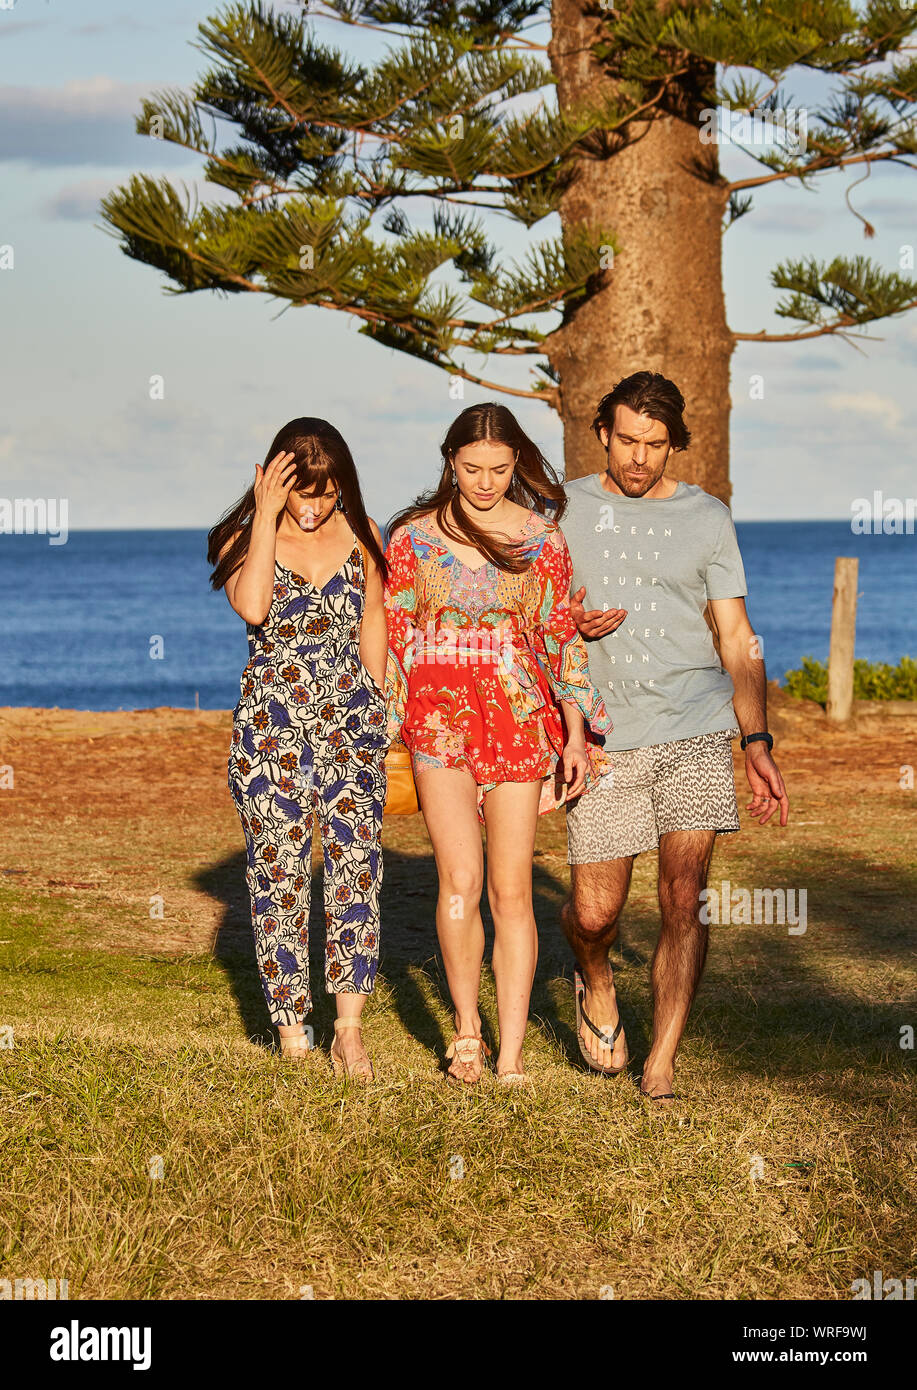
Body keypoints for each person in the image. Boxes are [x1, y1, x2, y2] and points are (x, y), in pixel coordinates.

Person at [560, 372, 790, 1102]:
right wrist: (565, 623)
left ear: (673, 445)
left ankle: (659, 1062)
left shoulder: (706, 516)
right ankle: (593, 976)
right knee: (594, 914)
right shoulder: (560, 509)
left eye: (654, 445)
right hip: (601, 735)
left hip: (693, 723)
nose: (637, 458)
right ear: (602, 433)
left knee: (683, 896)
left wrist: (755, 741)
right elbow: (523, 612)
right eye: (625, 440)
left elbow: (734, 634)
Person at [384, 402, 613, 1085]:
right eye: (472, 468)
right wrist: (380, 729)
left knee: (511, 889)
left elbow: (558, 642)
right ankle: (466, 1035)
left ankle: (510, 1054)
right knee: (459, 880)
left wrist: (574, 735)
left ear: (517, 464)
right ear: (449, 462)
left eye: (500, 468)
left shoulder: (542, 539)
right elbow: (394, 641)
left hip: (518, 722)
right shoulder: (411, 539)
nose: (485, 482)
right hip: (436, 724)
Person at [208, 418, 388, 1080]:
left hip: (351, 722)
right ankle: (290, 1032)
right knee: (278, 870)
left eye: (325, 492)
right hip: (270, 727)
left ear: (343, 482)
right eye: (300, 493)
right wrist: (263, 516)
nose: (312, 509)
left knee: (355, 869)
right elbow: (254, 607)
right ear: (275, 481)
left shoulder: (365, 538)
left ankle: (347, 1030)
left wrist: (378, 704)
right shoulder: (244, 536)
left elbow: (374, 622)